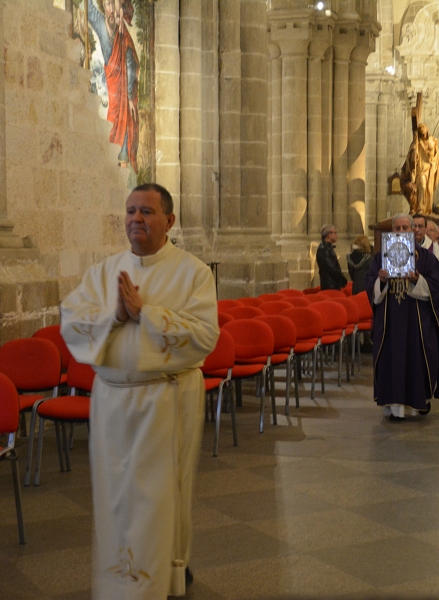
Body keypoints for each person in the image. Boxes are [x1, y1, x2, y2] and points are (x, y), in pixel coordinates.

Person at [60, 183, 220, 599]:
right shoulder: (102, 272)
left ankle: (162, 578)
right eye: (130, 211)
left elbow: (205, 336)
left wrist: (147, 314)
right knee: (115, 498)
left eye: (147, 212)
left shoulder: (193, 273)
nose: (136, 219)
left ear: (169, 220)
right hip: (112, 401)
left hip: (165, 401)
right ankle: (118, 580)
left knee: (158, 499)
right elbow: (72, 323)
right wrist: (113, 316)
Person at [365, 213, 439, 420]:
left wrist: (418, 280)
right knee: (391, 361)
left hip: (416, 324)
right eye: (396, 228)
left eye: (405, 228)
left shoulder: (426, 258)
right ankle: (392, 406)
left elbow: (437, 285)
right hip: (390, 323)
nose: (400, 232)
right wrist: (381, 281)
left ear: (413, 231)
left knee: (416, 360)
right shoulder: (380, 258)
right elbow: (370, 287)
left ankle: (417, 402)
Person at [88, 0, 139, 172]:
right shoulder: (102, 26)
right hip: (111, 88)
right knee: (110, 123)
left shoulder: (124, 36)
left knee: (125, 120)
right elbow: (88, 8)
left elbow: (131, 65)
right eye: (108, 4)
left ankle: (123, 164)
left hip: (122, 91)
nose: (111, 10)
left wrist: (131, 97)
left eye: (115, 5)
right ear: (103, 6)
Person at [400, 123, 439, 214]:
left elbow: (437, 156)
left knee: (429, 190)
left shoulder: (433, 141)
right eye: (420, 129)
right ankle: (420, 208)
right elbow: (410, 156)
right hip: (421, 169)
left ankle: (427, 209)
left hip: (430, 169)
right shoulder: (417, 143)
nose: (422, 130)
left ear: (426, 129)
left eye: (423, 128)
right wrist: (414, 151)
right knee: (422, 186)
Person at [316, 225, 347, 290]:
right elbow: (331, 268)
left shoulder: (327, 248)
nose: (337, 235)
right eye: (335, 233)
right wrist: (343, 280)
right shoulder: (324, 250)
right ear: (329, 235)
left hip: (333, 284)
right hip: (330, 286)